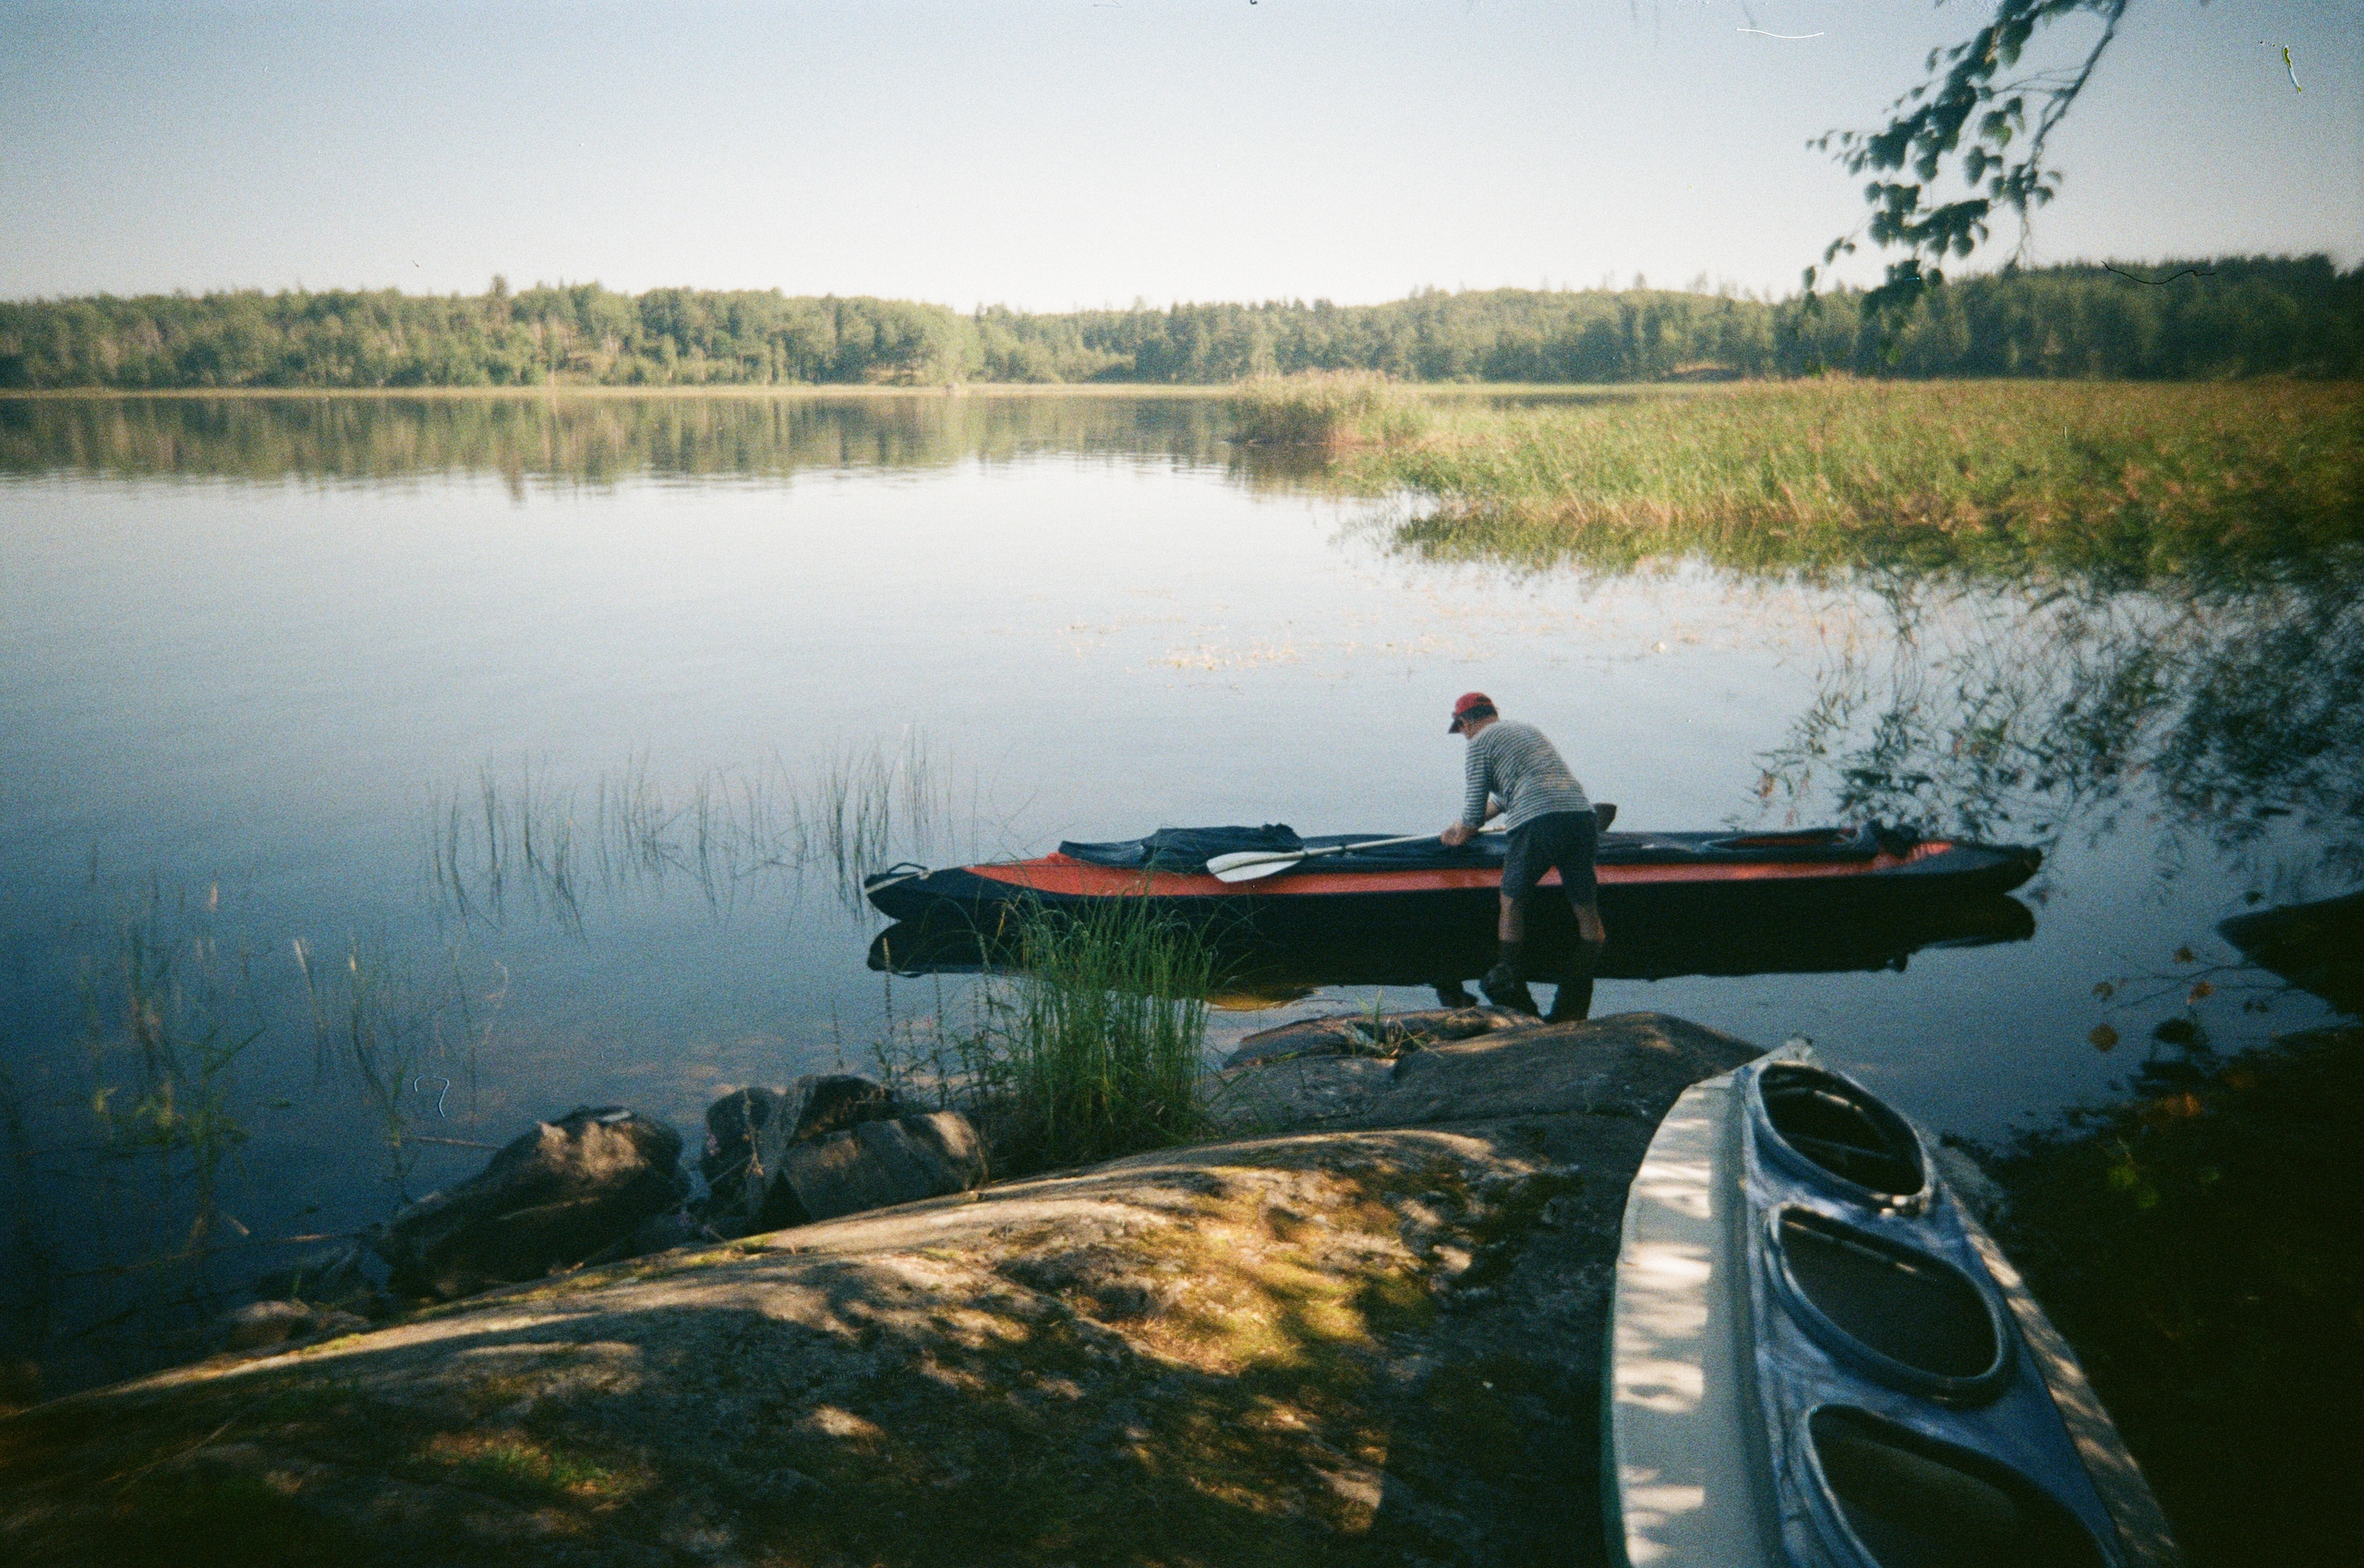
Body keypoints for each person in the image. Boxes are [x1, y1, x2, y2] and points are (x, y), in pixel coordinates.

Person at [1440, 692, 1607, 1020]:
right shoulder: (1526, 731)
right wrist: (1462, 824)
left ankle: (1508, 971)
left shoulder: (1479, 744)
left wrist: (1458, 834)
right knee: (1584, 904)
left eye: (1460, 730)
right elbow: (1504, 798)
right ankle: (1586, 970)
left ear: (1465, 722)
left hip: (1537, 821)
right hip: (1580, 815)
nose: (1463, 736)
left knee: (1512, 900)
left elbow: (1473, 810)